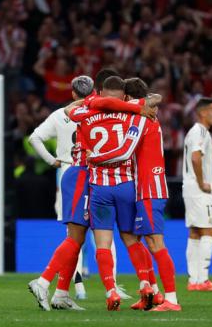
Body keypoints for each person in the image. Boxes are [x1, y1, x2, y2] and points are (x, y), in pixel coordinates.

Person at [27, 69, 151, 310]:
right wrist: (135, 106)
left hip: (87, 176)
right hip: (79, 174)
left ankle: (62, 293)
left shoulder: (81, 111)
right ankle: (43, 281)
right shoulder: (103, 112)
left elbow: (70, 112)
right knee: (76, 237)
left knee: (80, 237)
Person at [88, 77, 181, 312]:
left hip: (150, 187)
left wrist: (95, 158)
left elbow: (124, 150)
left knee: (155, 242)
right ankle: (154, 292)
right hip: (142, 188)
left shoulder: (141, 118)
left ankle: (171, 299)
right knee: (143, 241)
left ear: (129, 99)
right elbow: (155, 98)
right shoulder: (145, 114)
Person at [66, 76, 155, 311]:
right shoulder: (133, 113)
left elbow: (69, 112)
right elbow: (152, 101)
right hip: (127, 185)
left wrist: (88, 102)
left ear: (101, 94)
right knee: (132, 240)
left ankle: (111, 291)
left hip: (99, 188)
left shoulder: (84, 114)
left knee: (103, 243)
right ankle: (146, 285)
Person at [183, 98, 212, 291]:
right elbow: (195, 157)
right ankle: (203, 280)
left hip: (190, 188)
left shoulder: (196, 132)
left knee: (195, 232)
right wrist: (202, 183)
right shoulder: (199, 131)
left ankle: (194, 280)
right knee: (209, 231)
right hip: (199, 190)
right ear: (203, 113)